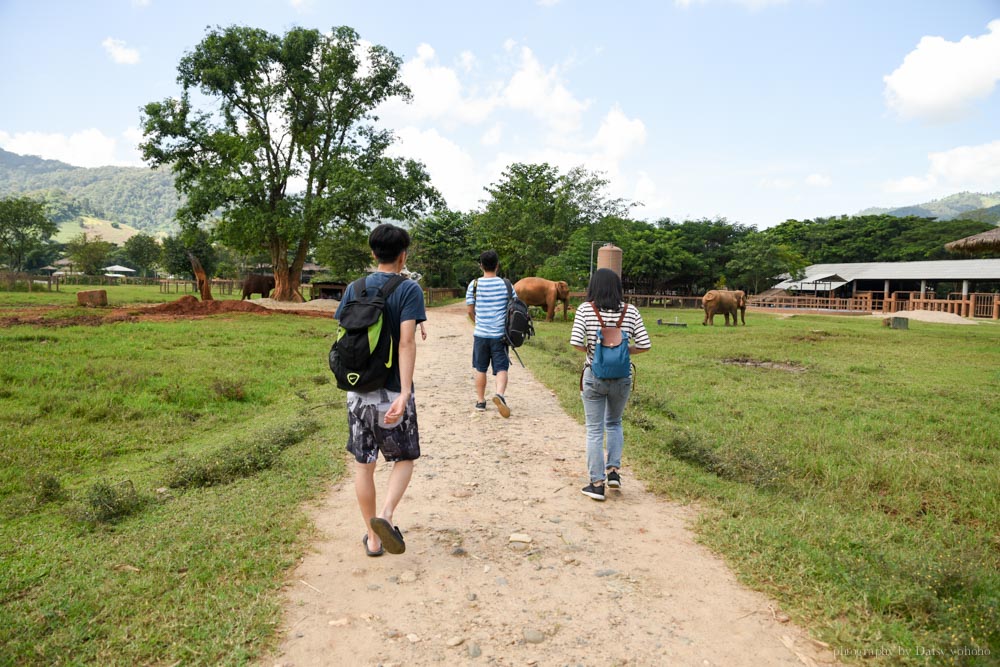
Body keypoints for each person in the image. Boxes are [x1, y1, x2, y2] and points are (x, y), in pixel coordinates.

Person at [334, 223, 426, 556]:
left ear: (373, 254)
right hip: (390, 393)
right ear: (404, 256)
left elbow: (346, 334)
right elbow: (405, 342)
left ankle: (372, 539)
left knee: (364, 465)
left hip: (357, 392)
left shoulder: (354, 288)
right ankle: (386, 516)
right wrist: (403, 392)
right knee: (403, 457)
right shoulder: (409, 289)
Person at [569, 268, 651, 501]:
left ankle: (596, 484)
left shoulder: (586, 309)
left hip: (594, 376)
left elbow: (575, 342)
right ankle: (613, 472)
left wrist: (595, 352)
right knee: (614, 423)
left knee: (595, 430)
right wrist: (623, 351)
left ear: (593, 287)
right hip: (622, 378)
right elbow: (645, 345)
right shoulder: (631, 311)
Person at [465, 249, 513, 418]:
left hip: (481, 334)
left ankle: (480, 401)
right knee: (501, 367)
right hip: (500, 335)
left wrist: (478, 322)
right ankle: (499, 394)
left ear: (481, 266)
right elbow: (513, 308)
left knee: (480, 368)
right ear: (497, 265)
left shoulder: (474, 284)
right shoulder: (506, 284)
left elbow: (470, 310)